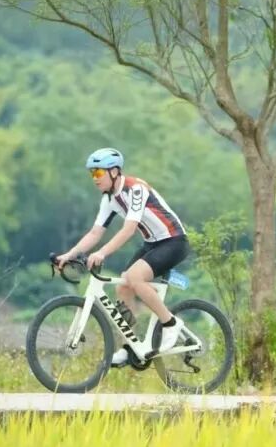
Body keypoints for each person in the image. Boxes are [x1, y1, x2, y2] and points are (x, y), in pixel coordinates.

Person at [56, 147, 190, 366]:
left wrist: (102, 252)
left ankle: (170, 323)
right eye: (92, 173)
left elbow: (128, 230)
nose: (95, 178)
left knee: (135, 277)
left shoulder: (135, 188)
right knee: (123, 287)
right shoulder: (109, 199)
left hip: (174, 241)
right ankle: (131, 347)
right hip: (152, 243)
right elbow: (95, 233)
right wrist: (69, 255)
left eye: (99, 172)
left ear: (114, 171)